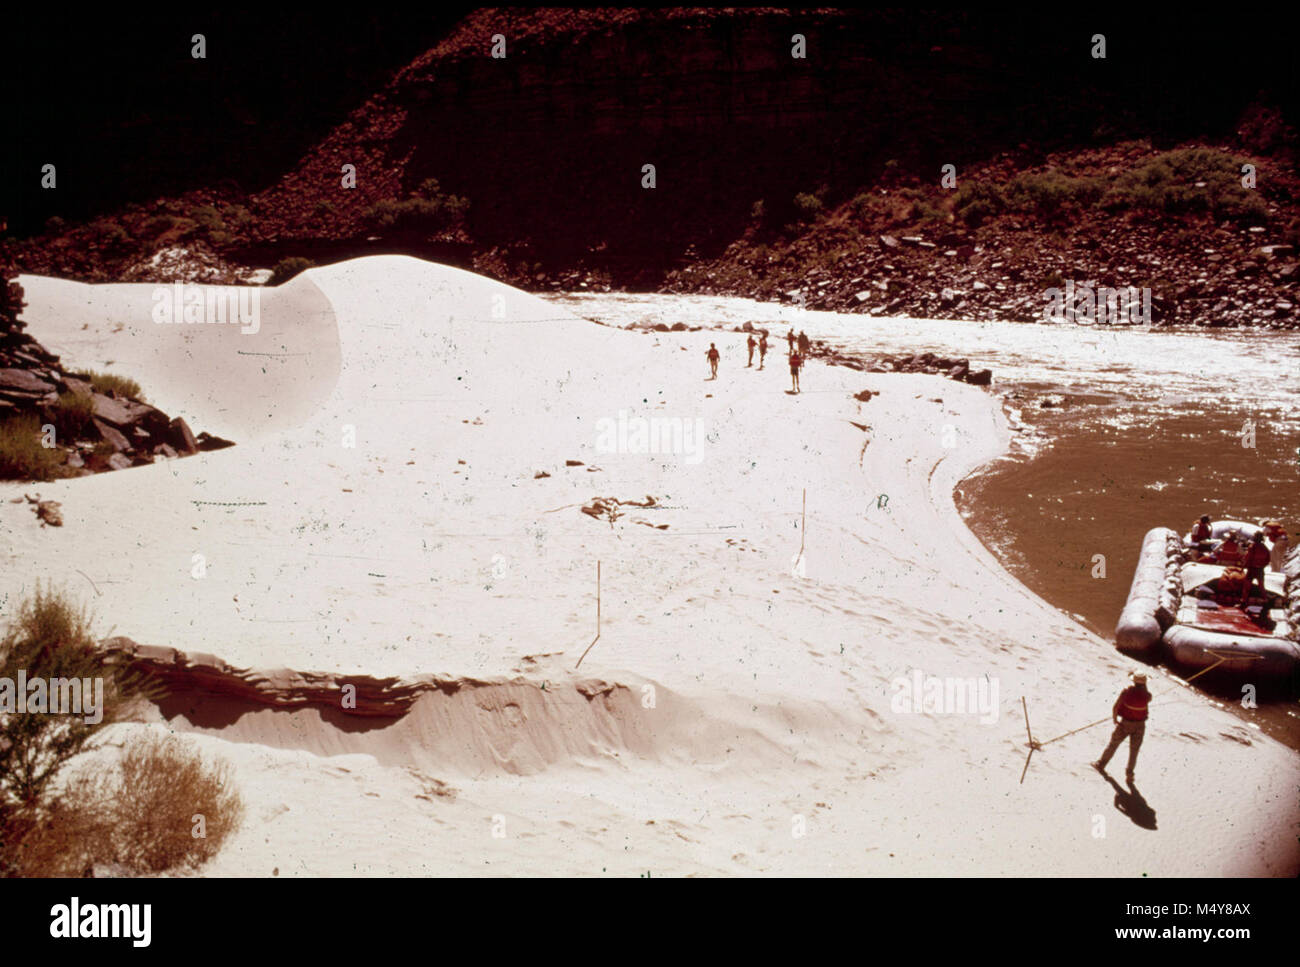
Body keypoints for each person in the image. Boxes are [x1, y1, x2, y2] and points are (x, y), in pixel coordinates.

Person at [1094, 672, 1151, 780]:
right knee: (1134, 751)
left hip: (1125, 723)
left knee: (1114, 744)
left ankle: (1101, 764)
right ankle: (1130, 774)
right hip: (1140, 725)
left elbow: (1115, 707)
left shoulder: (1126, 692)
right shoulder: (1147, 696)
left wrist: (1115, 719)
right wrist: (1144, 686)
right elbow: (1148, 697)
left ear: (1133, 681)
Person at [1242, 531, 1271, 605]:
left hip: (1252, 569)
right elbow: (1268, 559)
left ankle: (1244, 601)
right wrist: (1262, 566)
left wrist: (1244, 566)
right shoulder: (1264, 547)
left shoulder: (1252, 546)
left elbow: (1248, 557)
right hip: (1260, 569)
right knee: (1261, 586)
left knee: (1246, 586)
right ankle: (1265, 599)